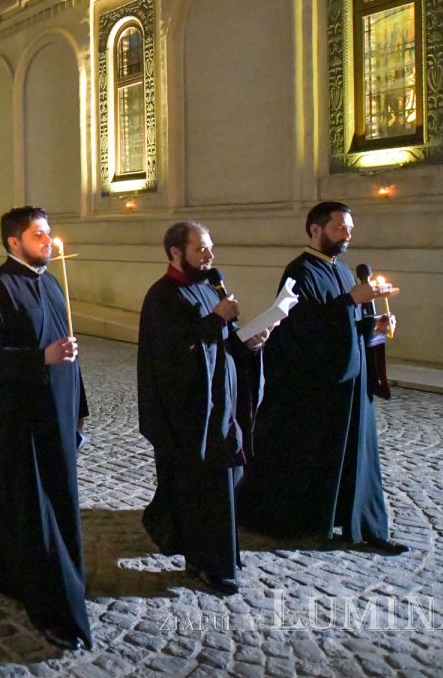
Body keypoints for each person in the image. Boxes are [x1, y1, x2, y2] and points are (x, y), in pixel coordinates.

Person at [238, 201, 407, 555]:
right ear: (315, 229)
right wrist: (350, 301)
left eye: (349, 229)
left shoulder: (343, 271)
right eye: (339, 228)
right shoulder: (299, 272)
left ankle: (363, 525)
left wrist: (372, 326)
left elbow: (344, 325)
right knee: (313, 456)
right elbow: (299, 327)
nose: (347, 235)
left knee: (357, 457)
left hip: (350, 384)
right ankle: (305, 521)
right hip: (315, 388)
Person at [0, 206, 92, 651]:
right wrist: (40, 359)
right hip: (19, 421)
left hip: (56, 414)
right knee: (32, 506)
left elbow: (68, 349)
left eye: (48, 233)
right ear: (13, 242)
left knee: (57, 499)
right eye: (37, 234)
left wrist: (79, 407)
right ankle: (50, 599)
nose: (47, 240)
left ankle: (43, 573)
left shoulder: (53, 283)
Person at [137, 221, 269, 595]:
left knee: (228, 482)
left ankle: (219, 555)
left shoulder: (212, 288)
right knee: (203, 491)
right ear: (176, 253)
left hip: (222, 406)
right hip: (191, 413)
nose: (210, 255)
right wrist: (216, 320)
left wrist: (251, 343)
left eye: (211, 247)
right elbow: (172, 357)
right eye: (201, 249)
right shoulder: (162, 297)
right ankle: (209, 564)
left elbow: (225, 342)